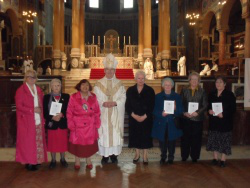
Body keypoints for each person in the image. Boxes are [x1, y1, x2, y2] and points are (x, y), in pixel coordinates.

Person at [94, 53, 126, 164]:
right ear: (104, 70)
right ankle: (104, 155)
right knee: (104, 133)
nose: (109, 72)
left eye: (112, 70)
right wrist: (103, 103)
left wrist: (115, 103)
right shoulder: (98, 84)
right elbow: (95, 99)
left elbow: (123, 97)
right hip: (103, 113)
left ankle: (114, 155)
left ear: (115, 70)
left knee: (115, 133)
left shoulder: (120, 84)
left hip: (115, 113)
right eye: (107, 69)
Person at [15, 70, 47, 171]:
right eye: (30, 77)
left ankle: (36, 160)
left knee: (37, 141)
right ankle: (29, 162)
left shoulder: (38, 89)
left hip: (38, 119)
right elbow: (19, 106)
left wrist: (41, 112)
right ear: (26, 78)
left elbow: (41, 103)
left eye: (34, 77)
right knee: (28, 143)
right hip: (27, 120)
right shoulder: (21, 90)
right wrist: (32, 110)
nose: (32, 79)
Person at [67, 79, 101, 170]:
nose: (85, 87)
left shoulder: (93, 96)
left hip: (90, 124)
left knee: (89, 144)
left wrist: (97, 122)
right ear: (79, 86)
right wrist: (70, 124)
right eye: (83, 85)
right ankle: (77, 161)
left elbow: (97, 111)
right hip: (77, 124)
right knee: (77, 144)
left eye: (87, 85)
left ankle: (88, 160)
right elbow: (69, 112)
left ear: (89, 87)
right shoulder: (73, 97)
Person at [125, 71, 155, 164]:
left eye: (142, 78)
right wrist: (134, 115)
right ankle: (137, 154)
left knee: (146, 136)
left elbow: (152, 105)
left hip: (146, 118)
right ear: (135, 79)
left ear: (145, 79)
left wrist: (144, 116)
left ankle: (145, 155)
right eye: (139, 78)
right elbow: (127, 105)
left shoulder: (150, 90)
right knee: (136, 136)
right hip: (134, 118)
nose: (141, 80)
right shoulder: (130, 90)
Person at [152, 78, 183, 165]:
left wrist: (176, 109)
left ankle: (171, 157)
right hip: (161, 122)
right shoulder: (157, 96)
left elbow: (181, 110)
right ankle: (163, 156)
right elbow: (154, 110)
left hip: (172, 123)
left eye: (169, 85)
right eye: (166, 85)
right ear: (162, 86)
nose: (167, 86)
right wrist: (161, 113)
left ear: (172, 86)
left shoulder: (177, 96)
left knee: (172, 141)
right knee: (162, 141)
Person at [206, 76, 236, 167]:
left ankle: (223, 159)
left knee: (224, 141)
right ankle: (215, 158)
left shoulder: (229, 94)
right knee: (214, 139)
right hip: (214, 121)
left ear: (225, 84)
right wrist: (209, 111)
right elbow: (208, 106)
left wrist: (224, 114)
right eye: (217, 82)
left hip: (225, 121)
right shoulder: (212, 94)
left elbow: (233, 109)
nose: (218, 84)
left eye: (220, 82)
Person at [180, 72, 208, 163]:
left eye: (196, 79)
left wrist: (198, 112)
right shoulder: (184, 90)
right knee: (185, 138)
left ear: (199, 81)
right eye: (192, 79)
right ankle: (184, 156)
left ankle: (194, 156)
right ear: (189, 80)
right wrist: (184, 112)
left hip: (197, 119)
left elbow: (205, 105)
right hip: (186, 118)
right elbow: (180, 103)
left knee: (196, 139)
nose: (194, 81)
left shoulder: (202, 91)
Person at [43, 79, 70, 169]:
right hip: (52, 123)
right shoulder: (46, 97)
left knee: (63, 143)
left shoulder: (66, 96)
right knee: (52, 143)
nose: (56, 87)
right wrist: (52, 117)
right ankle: (53, 160)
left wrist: (62, 114)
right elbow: (45, 111)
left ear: (61, 86)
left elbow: (69, 109)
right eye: (54, 85)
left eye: (58, 85)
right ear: (51, 87)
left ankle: (63, 159)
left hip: (62, 123)